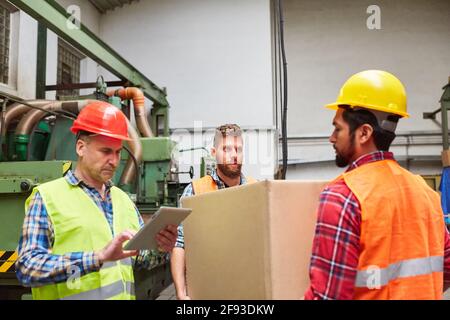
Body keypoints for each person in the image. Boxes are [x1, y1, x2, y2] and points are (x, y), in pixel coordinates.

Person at [304, 70, 450, 300]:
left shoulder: (343, 196)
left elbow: (328, 296)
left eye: (338, 128)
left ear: (364, 133)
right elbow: (447, 266)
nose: (332, 138)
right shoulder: (425, 192)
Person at [16, 101, 178, 300]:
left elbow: (137, 259)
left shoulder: (123, 200)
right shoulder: (47, 198)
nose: (115, 161)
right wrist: (97, 258)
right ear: (81, 147)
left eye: (118, 152)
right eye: (106, 151)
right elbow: (27, 268)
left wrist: (160, 248)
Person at [170, 124, 256, 300]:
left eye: (238, 149)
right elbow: (179, 244)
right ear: (213, 152)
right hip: (207, 290)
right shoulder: (195, 191)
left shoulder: (256, 190)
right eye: (227, 149)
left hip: (248, 290)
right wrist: (180, 293)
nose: (234, 155)